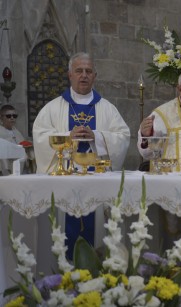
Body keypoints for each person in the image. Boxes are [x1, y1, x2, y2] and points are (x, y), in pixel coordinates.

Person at [33, 52, 130, 258]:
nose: (83, 75)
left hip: (97, 180)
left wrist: (97, 137)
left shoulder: (108, 109)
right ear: (70, 75)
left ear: (95, 75)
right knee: (62, 235)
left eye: (88, 71)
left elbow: (122, 137)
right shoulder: (52, 108)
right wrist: (68, 137)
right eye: (79, 71)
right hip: (64, 181)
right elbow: (40, 136)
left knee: (97, 234)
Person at [0, 105, 34, 175]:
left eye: (14, 116)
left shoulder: (16, 131)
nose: (12, 118)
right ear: (1, 117)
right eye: (8, 116)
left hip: (20, 164)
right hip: (6, 167)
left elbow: (22, 144)